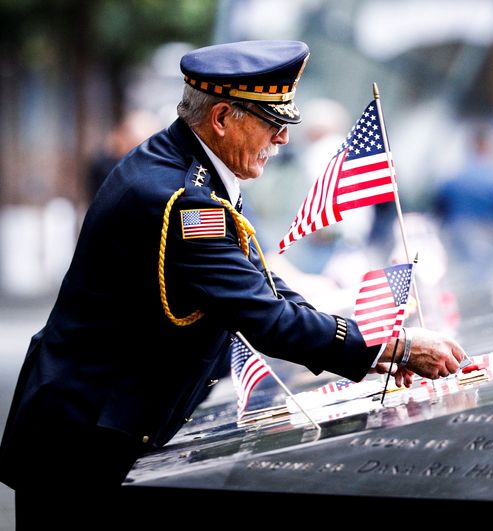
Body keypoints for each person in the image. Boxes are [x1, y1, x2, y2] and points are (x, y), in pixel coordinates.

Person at [0, 40, 464, 523]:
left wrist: (372, 344)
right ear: (222, 118)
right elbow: (263, 315)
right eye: (273, 122)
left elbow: (260, 283)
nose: (283, 139)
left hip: (102, 419)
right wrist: (394, 348)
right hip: (86, 439)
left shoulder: (191, 167)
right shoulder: (184, 199)